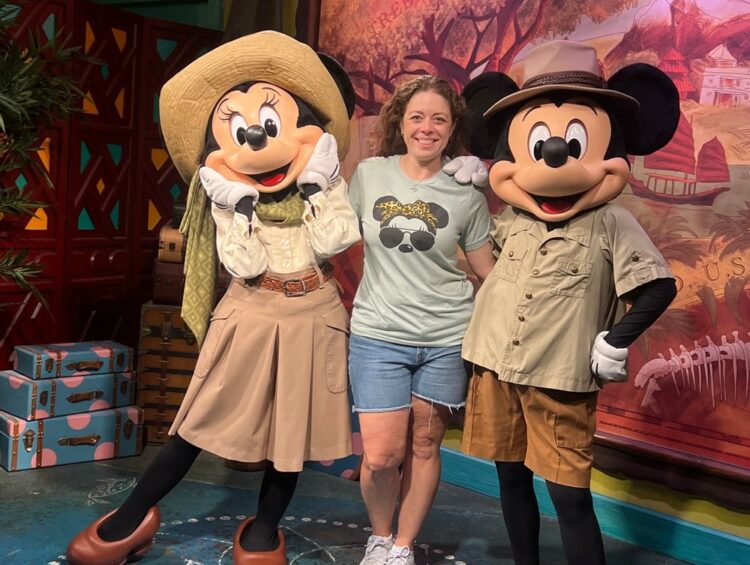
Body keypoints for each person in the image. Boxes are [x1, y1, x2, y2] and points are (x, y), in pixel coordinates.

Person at [66, 31, 359, 565]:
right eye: (240, 131)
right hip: (251, 308)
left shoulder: (323, 183)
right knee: (196, 423)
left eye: (271, 125)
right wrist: (238, 207)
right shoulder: (227, 197)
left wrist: (318, 187)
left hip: (315, 311)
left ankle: (264, 529)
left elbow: (335, 240)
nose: (257, 142)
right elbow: (243, 263)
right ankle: (132, 517)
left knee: (290, 436)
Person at [459, 40, 680, 564]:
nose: (554, 155)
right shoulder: (512, 219)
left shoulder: (610, 222)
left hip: (560, 378)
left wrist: (615, 339)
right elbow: (474, 257)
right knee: (510, 480)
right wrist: (461, 197)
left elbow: (658, 286)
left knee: (568, 495)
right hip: (495, 364)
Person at [347, 75, 496, 565]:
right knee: (381, 456)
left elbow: (485, 273)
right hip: (378, 337)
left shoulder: (466, 193)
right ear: (401, 122)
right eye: (417, 117)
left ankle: (403, 547)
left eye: (438, 119)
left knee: (427, 445)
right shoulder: (370, 175)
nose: (426, 128)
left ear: (452, 127)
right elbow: (332, 233)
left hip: (445, 338)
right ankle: (380, 535)